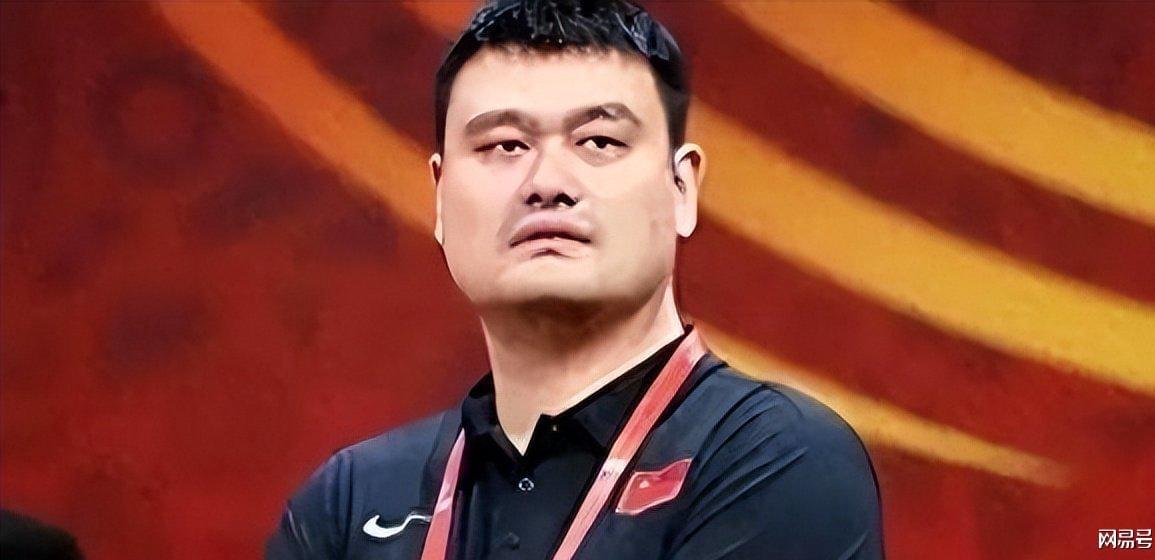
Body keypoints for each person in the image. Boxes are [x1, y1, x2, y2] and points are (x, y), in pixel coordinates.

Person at [266, 1, 885, 558]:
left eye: (598, 141)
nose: (547, 183)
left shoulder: (776, 457)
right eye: (505, 145)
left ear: (682, 189)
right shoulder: (348, 503)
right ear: (439, 197)